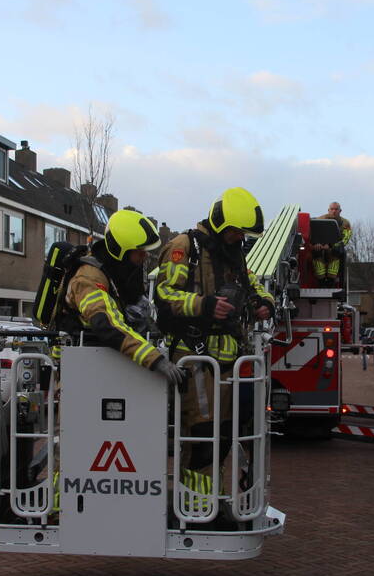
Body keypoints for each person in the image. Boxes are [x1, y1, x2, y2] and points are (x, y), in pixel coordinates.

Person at [154, 187, 275, 505]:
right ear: (221, 224)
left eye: (242, 233)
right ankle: (195, 505)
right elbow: (164, 295)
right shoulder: (185, 247)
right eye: (235, 231)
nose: (239, 238)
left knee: (222, 436)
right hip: (195, 358)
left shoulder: (232, 254)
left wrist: (264, 303)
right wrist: (204, 305)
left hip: (229, 360)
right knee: (202, 436)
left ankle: (211, 501)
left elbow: (255, 286)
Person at [60, 210, 186, 386]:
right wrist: (156, 360)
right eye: (140, 252)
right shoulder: (88, 278)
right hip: (81, 374)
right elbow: (106, 323)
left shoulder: (117, 273)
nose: (145, 256)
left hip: (104, 368)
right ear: (120, 251)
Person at [312, 201, 352, 286]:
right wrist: (316, 244)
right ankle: (321, 279)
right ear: (328, 210)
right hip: (319, 247)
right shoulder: (319, 220)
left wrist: (332, 246)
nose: (334, 211)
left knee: (337, 252)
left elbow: (346, 238)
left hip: (334, 248)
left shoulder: (345, 223)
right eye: (332, 209)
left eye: (336, 209)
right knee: (316, 252)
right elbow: (313, 233)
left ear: (340, 211)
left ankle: (331, 279)